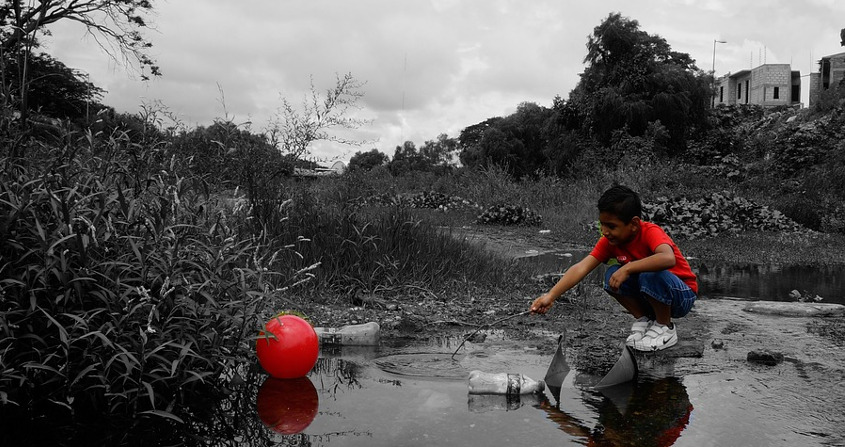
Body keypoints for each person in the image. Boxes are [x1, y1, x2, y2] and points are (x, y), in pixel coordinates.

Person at [530, 185, 697, 351]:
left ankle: (665, 327)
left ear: (633, 224)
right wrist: (551, 296)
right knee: (611, 275)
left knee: (646, 273)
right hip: (652, 295)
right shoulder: (610, 242)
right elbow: (582, 267)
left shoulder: (650, 232)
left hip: (682, 295)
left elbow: (668, 258)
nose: (604, 232)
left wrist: (628, 268)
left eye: (611, 226)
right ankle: (645, 320)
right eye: (602, 225)